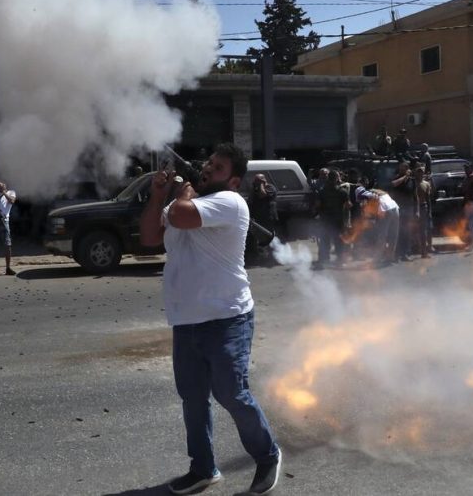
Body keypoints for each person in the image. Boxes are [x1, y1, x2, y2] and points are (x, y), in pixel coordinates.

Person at [138, 143, 282, 496]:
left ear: (232, 181)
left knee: (231, 393)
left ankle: (267, 455)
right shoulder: (183, 204)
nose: (207, 168)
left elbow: (183, 216)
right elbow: (148, 237)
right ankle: (203, 469)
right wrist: (158, 195)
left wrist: (181, 192)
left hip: (226, 317)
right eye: (209, 163)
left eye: (217, 168)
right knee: (193, 397)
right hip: (186, 319)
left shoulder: (230, 203)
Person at [316, 170, 350, 266]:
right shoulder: (342, 191)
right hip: (338, 221)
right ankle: (340, 261)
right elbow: (348, 205)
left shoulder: (322, 191)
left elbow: (317, 205)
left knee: (324, 239)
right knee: (339, 240)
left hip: (325, 220)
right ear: (337, 179)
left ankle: (323, 259)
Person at [390, 162, 415, 261]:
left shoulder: (411, 181)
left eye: (404, 169)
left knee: (407, 232)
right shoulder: (396, 178)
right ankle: (396, 254)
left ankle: (405, 253)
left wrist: (416, 210)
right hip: (398, 209)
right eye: (401, 169)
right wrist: (405, 176)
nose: (402, 170)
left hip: (408, 209)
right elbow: (393, 184)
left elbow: (414, 195)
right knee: (397, 232)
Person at [412, 166, 432, 258]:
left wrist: (429, 211)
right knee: (413, 229)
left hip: (423, 207)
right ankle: (413, 249)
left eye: (421, 172)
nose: (420, 173)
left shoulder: (426, 184)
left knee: (423, 230)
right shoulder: (412, 183)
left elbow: (428, 199)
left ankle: (424, 252)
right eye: (418, 172)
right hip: (413, 208)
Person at [462, 162, 473, 252]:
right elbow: (462, 188)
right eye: (465, 169)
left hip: (472, 202)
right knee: (470, 225)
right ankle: (472, 244)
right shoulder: (468, 177)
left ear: (471, 169)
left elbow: (465, 187)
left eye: (467, 168)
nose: (465, 170)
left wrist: (464, 183)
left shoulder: (472, 176)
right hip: (469, 203)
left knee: (472, 224)